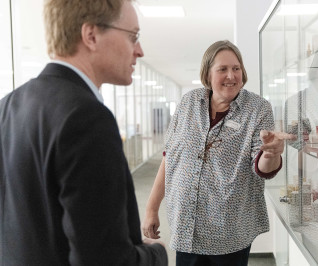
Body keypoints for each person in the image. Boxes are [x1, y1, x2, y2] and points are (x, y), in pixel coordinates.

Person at [0, 0, 167, 265]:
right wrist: (156, 254)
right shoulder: (87, 117)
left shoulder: (8, 105)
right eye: (133, 37)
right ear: (91, 36)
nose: (140, 50)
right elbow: (105, 260)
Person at [142, 40, 296, 265]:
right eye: (222, 69)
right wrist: (151, 208)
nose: (231, 76)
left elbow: (262, 169)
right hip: (186, 224)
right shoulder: (189, 102)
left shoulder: (258, 108)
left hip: (229, 231)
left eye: (236, 68)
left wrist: (271, 154)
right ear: (207, 73)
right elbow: (170, 157)